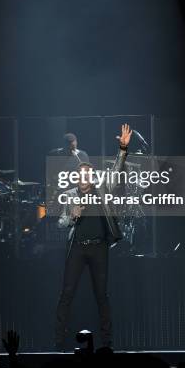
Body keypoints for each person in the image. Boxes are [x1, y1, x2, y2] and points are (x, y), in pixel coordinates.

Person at [55, 123, 132, 349]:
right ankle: (59, 340)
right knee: (66, 294)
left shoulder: (101, 190)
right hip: (77, 248)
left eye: (88, 173)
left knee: (101, 295)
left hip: (98, 248)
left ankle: (107, 341)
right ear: (77, 177)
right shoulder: (70, 196)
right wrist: (71, 216)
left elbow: (117, 170)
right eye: (81, 174)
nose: (85, 176)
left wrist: (122, 149)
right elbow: (60, 223)